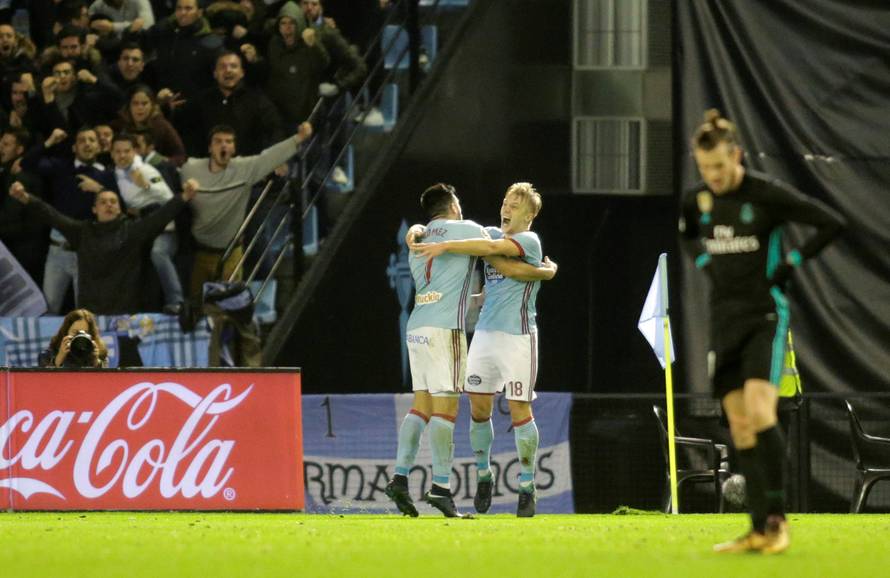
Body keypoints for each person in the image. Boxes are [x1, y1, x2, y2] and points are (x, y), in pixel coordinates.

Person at [678, 110, 844, 554]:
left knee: (759, 410)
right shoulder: (697, 200)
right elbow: (687, 233)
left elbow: (832, 222)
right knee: (739, 425)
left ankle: (777, 522)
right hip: (724, 321)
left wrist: (792, 263)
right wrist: (704, 261)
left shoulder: (765, 194)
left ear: (736, 155)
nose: (713, 176)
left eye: (719, 166)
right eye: (704, 168)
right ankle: (756, 530)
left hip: (764, 316)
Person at [384, 183, 556, 518]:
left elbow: (503, 268)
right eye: (505, 201)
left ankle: (525, 486)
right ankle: (456, 483)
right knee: (460, 410)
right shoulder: (475, 232)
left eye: (515, 204)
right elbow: (495, 256)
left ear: (530, 215)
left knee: (429, 406)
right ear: (452, 207)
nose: (506, 207)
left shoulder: (527, 240)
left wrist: (419, 230)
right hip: (463, 333)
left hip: (505, 335)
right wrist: (548, 272)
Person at [9, 177, 198, 314]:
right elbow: (52, 215)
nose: (109, 205)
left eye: (113, 202)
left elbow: (161, 216)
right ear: (94, 209)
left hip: (124, 314)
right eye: (103, 202)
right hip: (90, 313)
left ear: (120, 208)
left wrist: (184, 196)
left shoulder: (133, 231)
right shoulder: (82, 231)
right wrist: (26, 198)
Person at [179, 121, 313, 302]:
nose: (224, 146)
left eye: (229, 141)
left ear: (234, 148)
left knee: (229, 307)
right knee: (195, 305)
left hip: (230, 253)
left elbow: (269, 157)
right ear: (210, 148)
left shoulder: (244, 169)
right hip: (198, 253)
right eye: (218, 141)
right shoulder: (190, 169)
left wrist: (299, 138)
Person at [109, 131, 184, 310]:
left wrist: (146, 185)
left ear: (134, 151)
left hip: (163, 225)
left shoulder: (145, 170)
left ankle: (177, 301)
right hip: (138, 226)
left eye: (126, 151)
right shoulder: (115, 175)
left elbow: (169, 198)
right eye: (118, 151)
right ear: (111, 153)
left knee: (158, 253)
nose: (122, 155)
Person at [38, 308, 109, 368]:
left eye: (85, 332)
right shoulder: (48, 355)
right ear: (66, 332)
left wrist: (96, 362)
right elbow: (45, 378)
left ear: (92, 335)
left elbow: (106, 377)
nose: (80, 336)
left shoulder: (100, 354)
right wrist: (58, 360)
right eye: (75, 332)